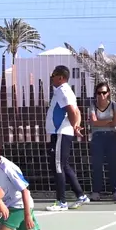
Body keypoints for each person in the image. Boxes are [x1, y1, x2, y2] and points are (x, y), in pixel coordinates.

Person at [45, 65, 89, 211]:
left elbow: (72, 110)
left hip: (60, 133)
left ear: (61, 77)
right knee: (64, 165)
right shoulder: (65, 91)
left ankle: (61, 201)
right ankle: (81, 195)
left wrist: (74, 126)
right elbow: (77, 111)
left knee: (58, 166)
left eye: (53, 75)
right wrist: (76, 124)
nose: (51, 78)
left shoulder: (62, 90)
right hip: (61, 133)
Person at [89, 81, 116, 202]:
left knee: (113, 164)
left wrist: (101, 122)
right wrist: (108, 121)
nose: (101, 95)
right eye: (99, 93)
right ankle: (96, 191)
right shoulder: (92, 105)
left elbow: (115, 123)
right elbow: (93, 122)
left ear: (108, 93)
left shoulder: (115, 106)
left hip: (111, 137)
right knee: (97, 165)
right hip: (97, 137)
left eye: (104, 92)